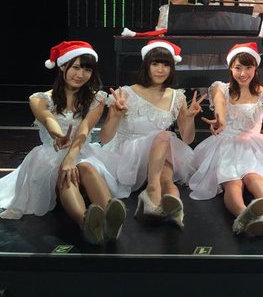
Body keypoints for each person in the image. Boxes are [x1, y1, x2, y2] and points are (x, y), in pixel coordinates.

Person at [0, 41, 125, 245]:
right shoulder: (39, 99)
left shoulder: (97, 99)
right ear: (62, 66)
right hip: (49, 157)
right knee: (65, 174)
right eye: (76, 67)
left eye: (87, 69)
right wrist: (58, 135)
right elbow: (48, 119)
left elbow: (85, 129)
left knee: (85, 167)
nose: (81, 74)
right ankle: (86, 223)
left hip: (81, 152)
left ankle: (111, 221)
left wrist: (70, 158)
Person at [101, 39, 203, 230]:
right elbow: (104, 138)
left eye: (166, 65)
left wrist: (189, 119)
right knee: (164, 136)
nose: (161, 70)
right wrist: (115, 115)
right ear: (146, 65)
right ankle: (152, 190)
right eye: (155, 64)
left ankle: (173, 208)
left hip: (160, 152)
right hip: (129, 155)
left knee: (168, 179)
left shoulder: (177, 96)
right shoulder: (126, 93)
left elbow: (187, 139)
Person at [188, 42, 263, 236]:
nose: (243, 73)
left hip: (253, 145)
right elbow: (220, 106)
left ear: (255, 68)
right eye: (238, 68)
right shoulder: (220, 88)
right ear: (230, 68)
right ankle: (243, 215)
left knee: (255, 177)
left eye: (248, 67)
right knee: (233, 182)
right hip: (225, 143)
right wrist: (220, 121)